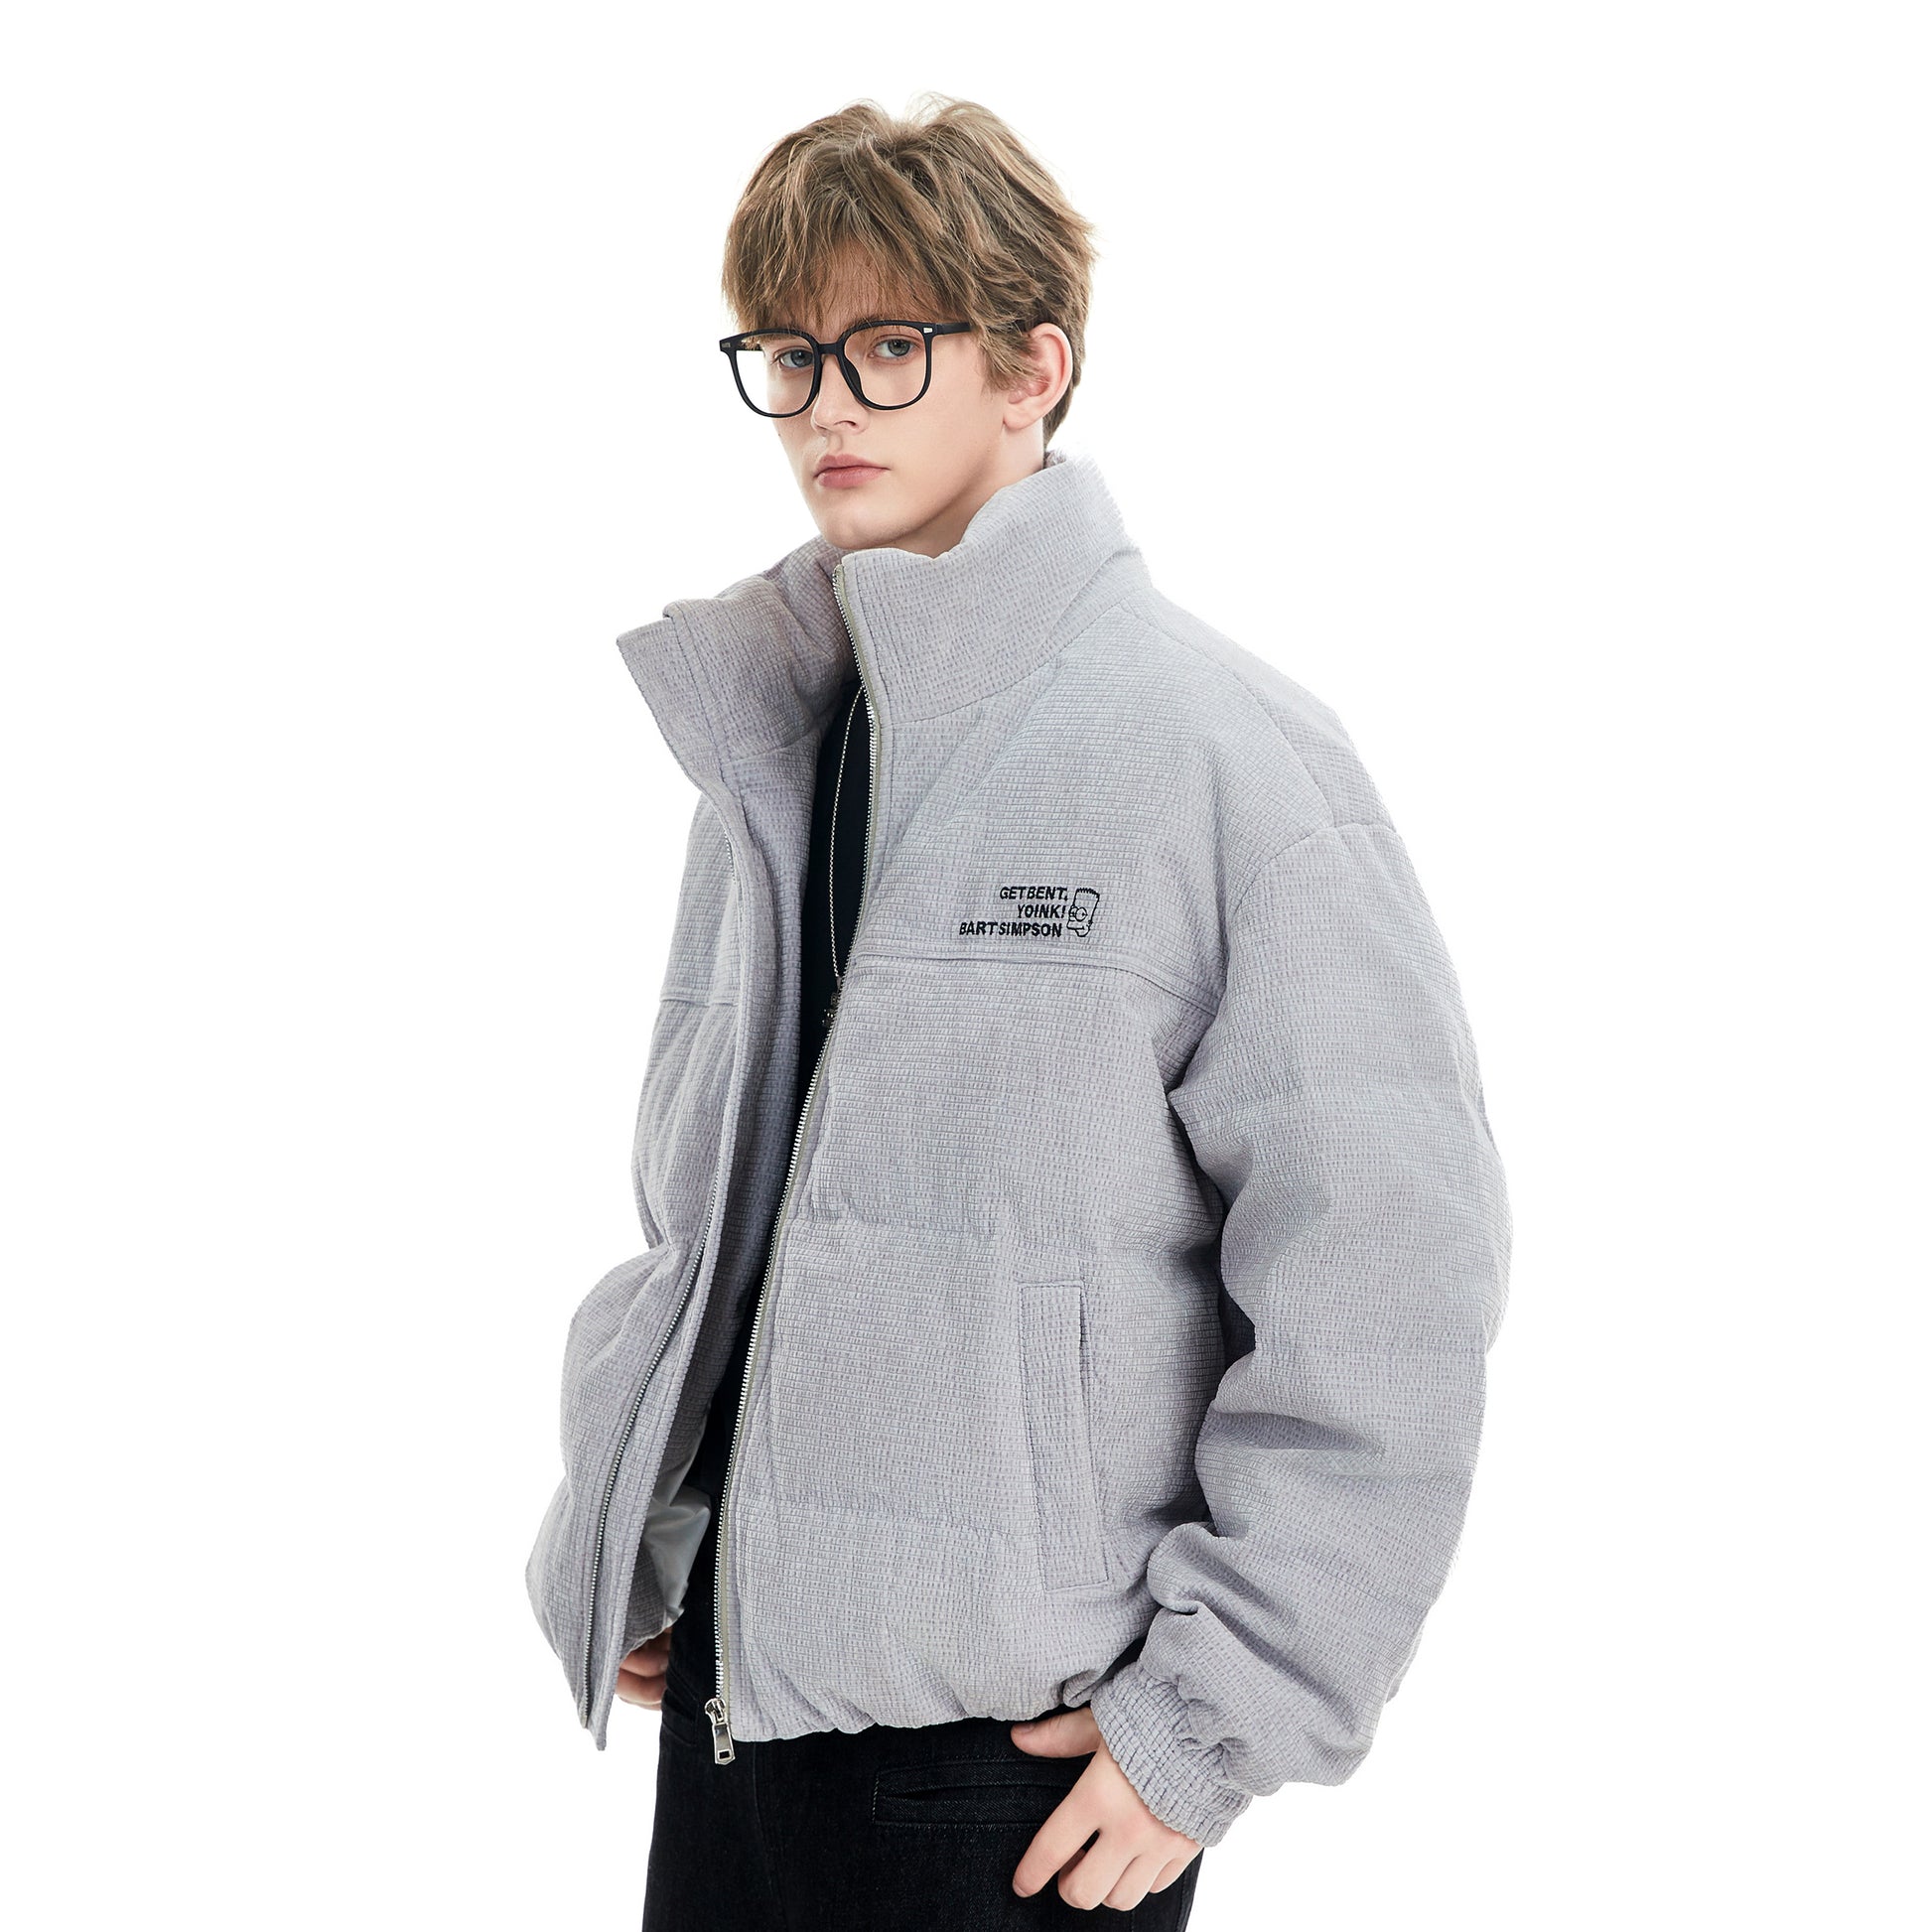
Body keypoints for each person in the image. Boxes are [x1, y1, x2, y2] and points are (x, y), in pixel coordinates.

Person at [524, 95, 1512, 1928]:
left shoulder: (1218, 753)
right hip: (735, 1723)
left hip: (1021, 1775)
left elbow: (1387, 1275)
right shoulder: (780, 746)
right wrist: (652, 1517)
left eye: (886, 347)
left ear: (1031, 368)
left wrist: (1213, 1718)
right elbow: (710, 1213)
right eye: (788, 353)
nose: (824, 405)